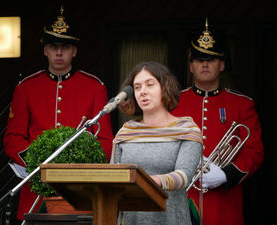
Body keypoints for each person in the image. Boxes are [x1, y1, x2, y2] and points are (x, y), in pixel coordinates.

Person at [3, 6, 114, 221]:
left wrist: (79, 168)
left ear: (75, 51)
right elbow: (13, 138)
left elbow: (105, 141)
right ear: (45, 50)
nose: (59, 52)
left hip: (80, 190)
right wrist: (36, 163)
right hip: (36, 188)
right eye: (54, 46)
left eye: (66, 46)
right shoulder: (26, 88)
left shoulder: (94, 87)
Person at [171, 19, 264, 225]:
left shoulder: (242, 104)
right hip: (183, 201)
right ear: (191, 66)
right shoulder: (174, 103)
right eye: (199, 59)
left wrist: (225, 174)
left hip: (224, 206)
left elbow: (254, 150)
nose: (205, 64)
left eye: (211, 59)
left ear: (221, 65)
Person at [111, 61, 202, 225]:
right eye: (137, 87)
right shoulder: (126, 132)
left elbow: (184, 176)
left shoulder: (187, 129)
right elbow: (113, 178)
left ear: (165, 87)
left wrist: (147, 182)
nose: (142, 92)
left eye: (150, 85)